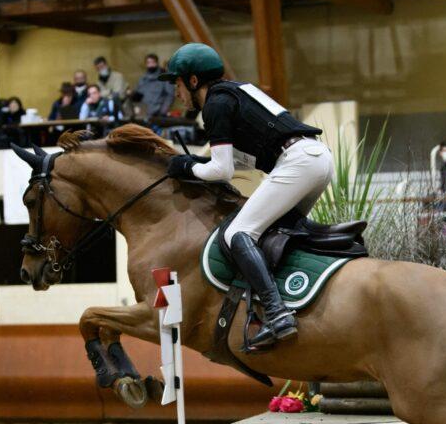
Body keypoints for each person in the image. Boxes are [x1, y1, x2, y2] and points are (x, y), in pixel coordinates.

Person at [160, 43, 325, 349]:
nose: (176, 92)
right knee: (277, 232)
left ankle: (277, 314)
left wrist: (187, 166)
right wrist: (198, 164)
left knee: (238, 233)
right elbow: (239, 161)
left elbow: (222, 170)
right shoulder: (235, 91)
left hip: (297, 162)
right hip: (315, 157)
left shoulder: (215, 105)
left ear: (193, 81)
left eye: (177, 83)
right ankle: (290, 301)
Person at [132, 53, 175, 118]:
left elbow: (170, 95)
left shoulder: (164, 77)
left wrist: (163, 111)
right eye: (148, 63)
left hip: (157, 113)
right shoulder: (143, 79)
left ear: (157, 63)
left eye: (153, 62)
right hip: (143, 113)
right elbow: (138, 94)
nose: (151, 65)